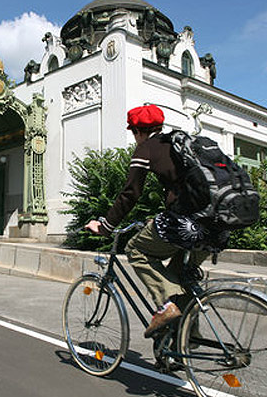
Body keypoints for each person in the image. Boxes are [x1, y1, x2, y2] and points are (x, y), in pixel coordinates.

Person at [85, 104, 213, 338]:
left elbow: (131, 193)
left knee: (134, 248)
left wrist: (105, 226)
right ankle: (183, 341)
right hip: (214, 224)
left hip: (186, 223)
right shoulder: (181, 144)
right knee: (180, 275)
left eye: (133, 132)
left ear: (138, 131)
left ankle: (165, 306)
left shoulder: (147, 148)